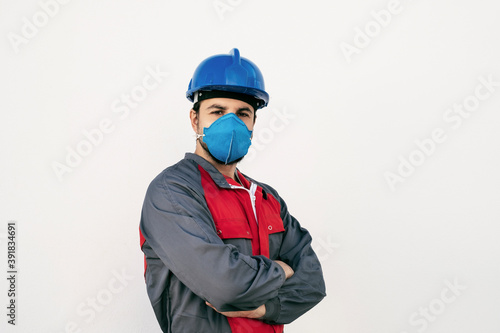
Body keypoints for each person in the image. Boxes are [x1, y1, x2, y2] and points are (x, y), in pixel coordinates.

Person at [139, 48, 326, 333]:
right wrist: (284, 269)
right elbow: (225, 285)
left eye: (242, 114)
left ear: (252, 125)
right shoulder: (172, 192)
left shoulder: (267, 197)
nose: (232, 123)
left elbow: (313, 283)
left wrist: (266, 308)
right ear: (195, 119)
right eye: (217, 111)